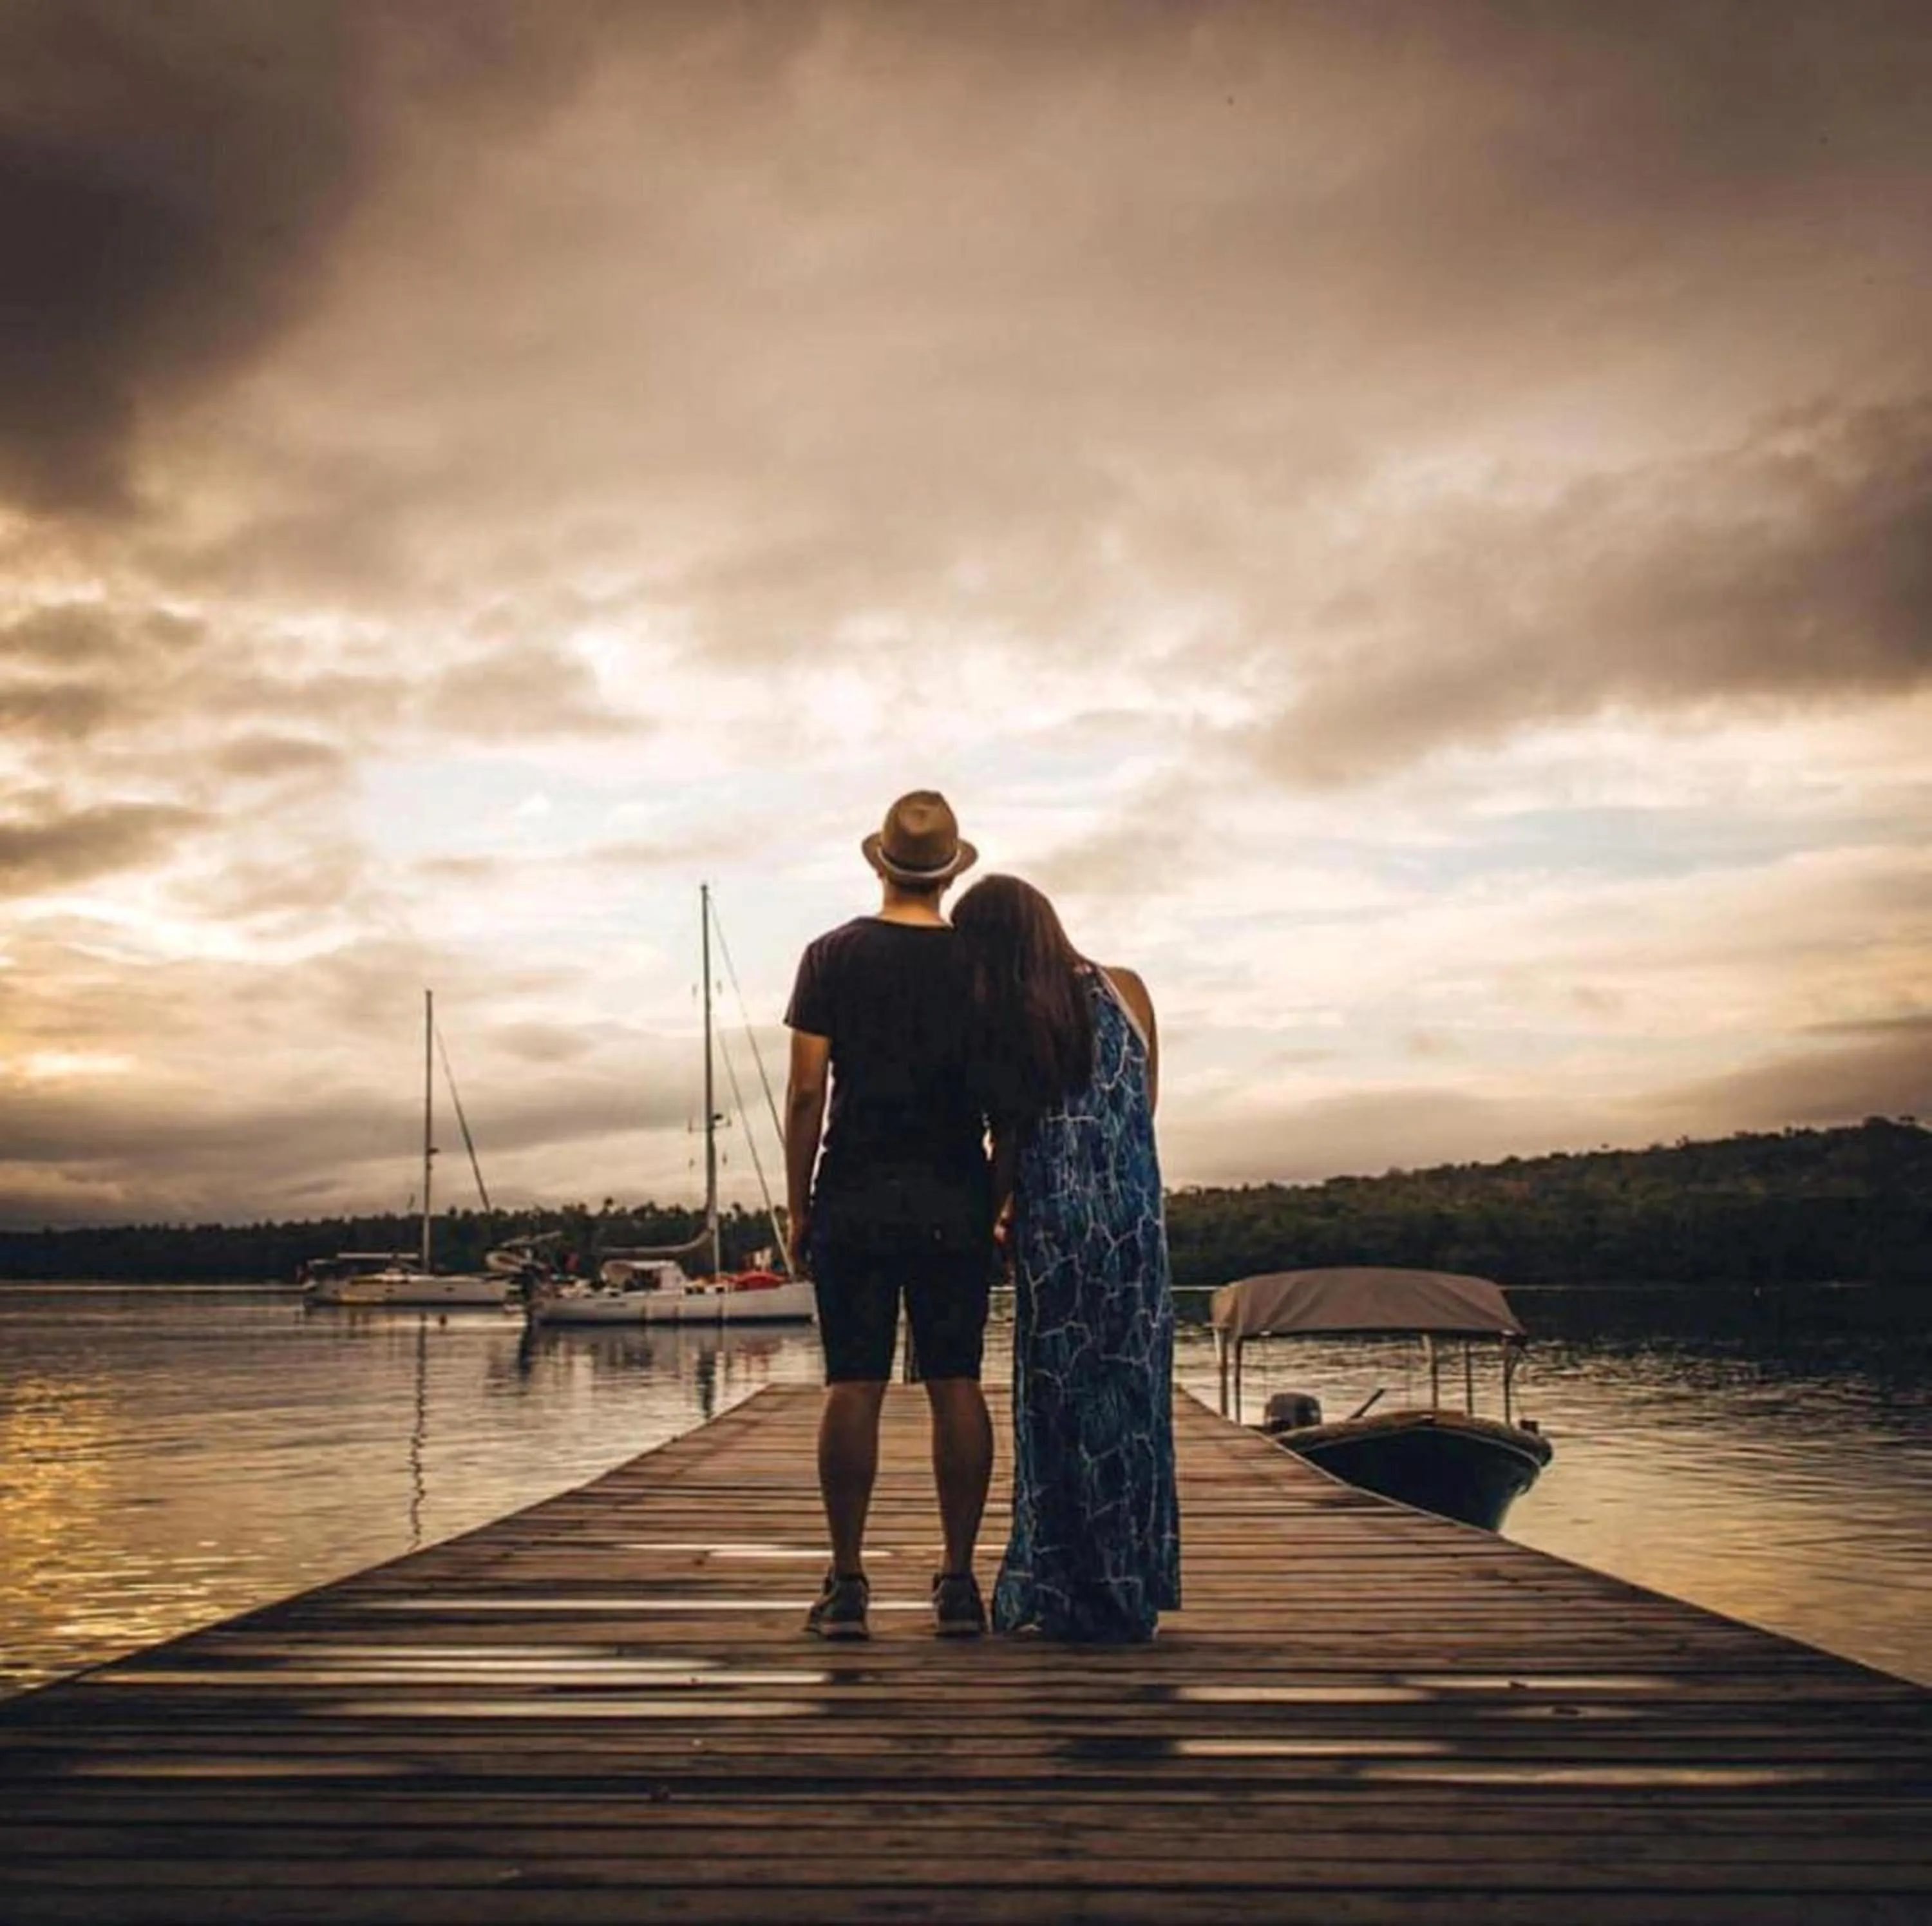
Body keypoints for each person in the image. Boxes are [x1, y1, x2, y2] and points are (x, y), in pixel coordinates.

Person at [784, 791, 997, 1641]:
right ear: (951, 874)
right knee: (956, 1383)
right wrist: (1002, 1194)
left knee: (854, 1381)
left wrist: (798, 1205)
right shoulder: (983, 966)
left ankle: (846, 1582)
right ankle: (957, 1583)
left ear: (879, 862)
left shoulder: (830, 955)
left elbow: (807, 1090)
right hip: (956, 1190)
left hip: (857, 1190)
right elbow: (1007, 1098)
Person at [952, 873, 1180, 1642]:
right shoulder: (1129, 990)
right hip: (1136, 1225)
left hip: (1059, 1229)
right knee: (1134, 1407)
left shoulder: (1015, 1015)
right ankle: (1129, 1588)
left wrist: (983, 1221)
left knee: (1061, 1409)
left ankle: (1062, 1585)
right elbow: (1142, 1106)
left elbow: (1011, 1141)